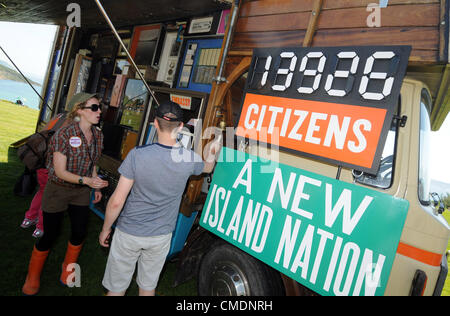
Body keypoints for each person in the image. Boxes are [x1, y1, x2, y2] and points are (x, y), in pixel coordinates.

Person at [99, 101, 218, 296]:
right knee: (147, 288)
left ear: (155, 123)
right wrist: (213, 149)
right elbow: (207, 167)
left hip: (129, 232)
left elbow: (116, 201)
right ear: (180, 126)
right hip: (160, 236)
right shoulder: (188, 159)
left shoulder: (137, 155)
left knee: (116, 289)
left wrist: (105, 229)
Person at [22, 92, 109, 296]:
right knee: (50, 235)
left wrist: (94, 185)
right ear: (79, 110)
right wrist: (88, 181)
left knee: (79, 233)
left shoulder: (98, 135)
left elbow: (93, 162)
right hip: (58, 189)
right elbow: (60, 171)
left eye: (100, 108)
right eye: (94, 108)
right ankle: (32, 277)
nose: (99, 112)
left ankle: (68, 270)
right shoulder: (64, 133)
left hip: (81, 192)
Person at [20, 112, 70, 238]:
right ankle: (41, 227)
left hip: (40, 162)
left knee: (42, 191)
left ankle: (29, 218)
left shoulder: (58, 116)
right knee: (50, 196)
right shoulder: (71, 121)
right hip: (52, 165)